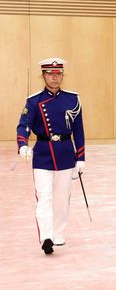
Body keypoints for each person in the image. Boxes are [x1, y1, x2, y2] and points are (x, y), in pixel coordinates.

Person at [16, 58, 85, 255]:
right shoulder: (34, 100)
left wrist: (80, 158)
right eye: (50, 74)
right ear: (43, 75)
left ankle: (58, 233)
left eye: (58, 74)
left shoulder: (73, 99)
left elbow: (79, 131)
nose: (54, 78)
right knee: (44, 197)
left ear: (62, 75)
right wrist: (22, 146)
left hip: (65, 153)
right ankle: (46, 236)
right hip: (43, 154)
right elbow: (24, 126)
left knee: (62, 198)